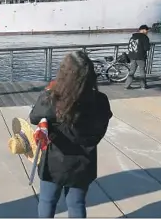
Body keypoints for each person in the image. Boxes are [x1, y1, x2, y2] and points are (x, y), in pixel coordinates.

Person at [29, 50, 113, 218]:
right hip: (84, 162)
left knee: (47, 201)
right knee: (76, 204)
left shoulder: (51, 98)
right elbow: (100, 130)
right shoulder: (101, 100)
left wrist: (48, 91)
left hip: (54, 162)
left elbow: (34, 117)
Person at [125, 24, 151, 90]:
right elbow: (147, 48)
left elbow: (129, 47)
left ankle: (127, 85)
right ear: (143, 30)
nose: (147, 32)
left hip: (132, 57)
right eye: (147, 30)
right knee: (142, 71)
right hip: (141, 57)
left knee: (132, 71)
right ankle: (143, 86)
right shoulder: (144, 37)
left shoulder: (132, 37)